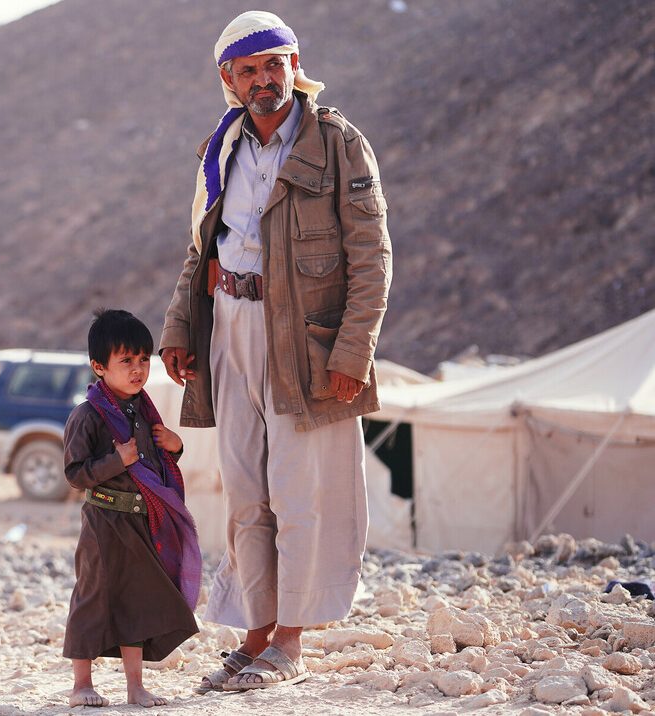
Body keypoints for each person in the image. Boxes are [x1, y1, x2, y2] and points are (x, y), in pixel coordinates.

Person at [159, 11, 392, 691]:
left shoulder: (338, 143)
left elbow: (370, 256)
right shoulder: (218, 148)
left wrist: (353, 348)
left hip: (305, 341)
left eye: (275, 63)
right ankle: (255, 632)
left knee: (300, 492)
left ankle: (289, 640)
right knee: (244, 491)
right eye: (249, 69)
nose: (265, 79)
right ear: (228, 80)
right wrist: (179, 327)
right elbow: (200, 249)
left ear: (295, 64)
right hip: (228, 325)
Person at [62, 309, 202, 708]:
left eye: (144, 359)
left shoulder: (143, 411)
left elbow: (156, 467)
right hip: (104, 522)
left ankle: (135, 687)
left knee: (137, 601)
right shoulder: (86, 415)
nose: (138, 369)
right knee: (93, 597)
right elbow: (74, 473)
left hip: (141, 521)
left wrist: (176, 446)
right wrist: (115, 462)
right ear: (99, 366)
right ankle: (81, 685)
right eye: (126, 361)